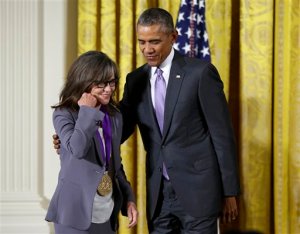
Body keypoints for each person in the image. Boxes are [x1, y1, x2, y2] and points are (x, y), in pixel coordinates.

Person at [54, 8, 240, 233]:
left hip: (199, 193)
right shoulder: (136, 80)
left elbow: (222, 136)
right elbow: (116, 130)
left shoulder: (200, 74)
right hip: (159, 195)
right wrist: (69, 139)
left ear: (173, 37)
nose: (147, 49)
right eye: (141, 42)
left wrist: (230, 192)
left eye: (154, 41)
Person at [46, 50, 138, 234]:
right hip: (73, 211)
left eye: (112, 82)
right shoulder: (64, 114)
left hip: (106, 209)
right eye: (101, 84)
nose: (109, 89)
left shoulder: (114, 116)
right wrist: (87, 111)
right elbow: (78, 149)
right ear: (84, 82)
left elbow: (115, 163)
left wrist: (129, 197)